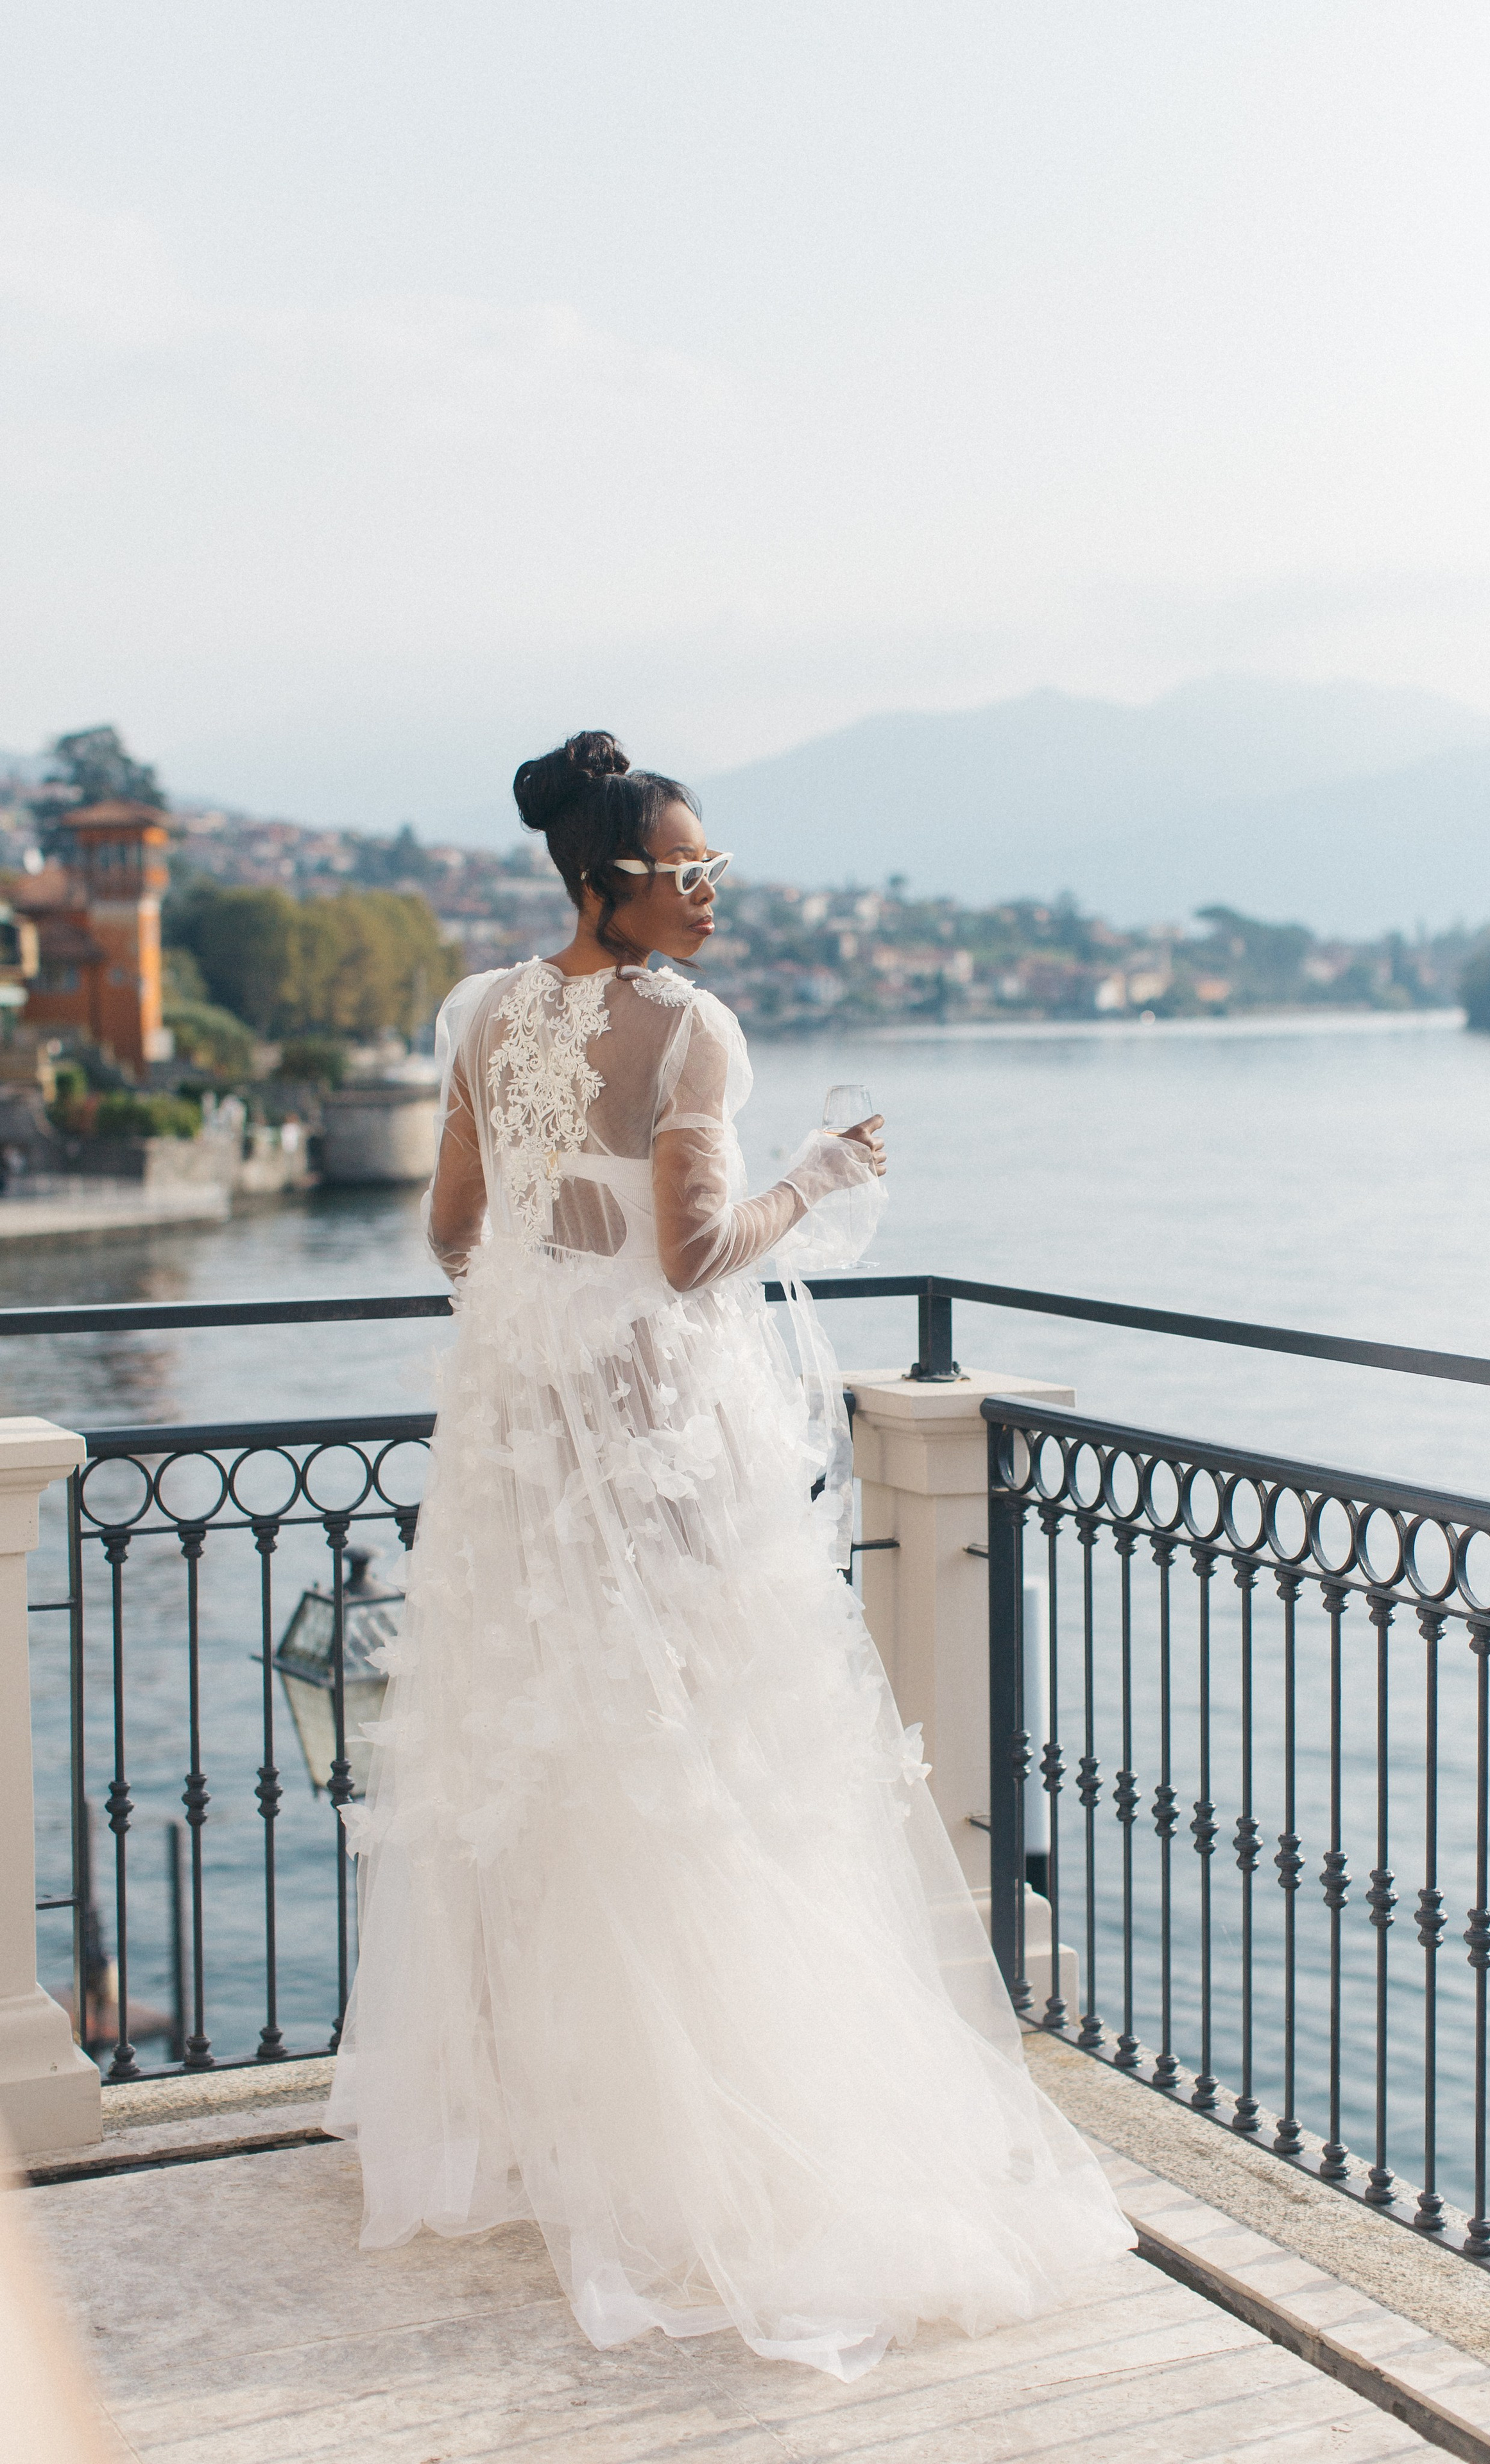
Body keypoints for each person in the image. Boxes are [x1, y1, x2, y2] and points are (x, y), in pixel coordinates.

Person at [327, 731, 1132, 2381]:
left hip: (517, 1435)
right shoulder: (692, 1034)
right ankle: (706, 2130)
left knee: (546, 1756)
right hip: (653, 1436)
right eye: (688, 875)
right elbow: (695, 1257)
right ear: (605, 885)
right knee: (703, 1754)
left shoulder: (478, 1012)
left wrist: (547, 1304)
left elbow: (453, 1233)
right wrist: (820, 1180)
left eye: (714, 871)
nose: (711, 898)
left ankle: (561, 2120)